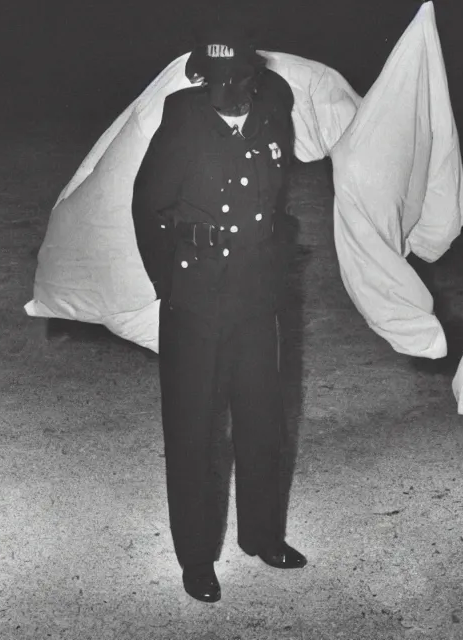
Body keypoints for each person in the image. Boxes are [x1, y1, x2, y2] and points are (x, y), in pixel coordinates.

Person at [131, 25, 307, 604]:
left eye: (235, 79)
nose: (223, 90)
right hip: (197, 301)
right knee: (193, 433)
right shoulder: (182, 117)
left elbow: (277, 202)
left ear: (252, 78)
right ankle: (196, 558)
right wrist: (172, 285)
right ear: (201, 77)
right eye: (213, 79)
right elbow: (148, 205)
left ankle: (263, 536)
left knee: (262, 423)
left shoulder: (272, 112)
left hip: (257, 299)